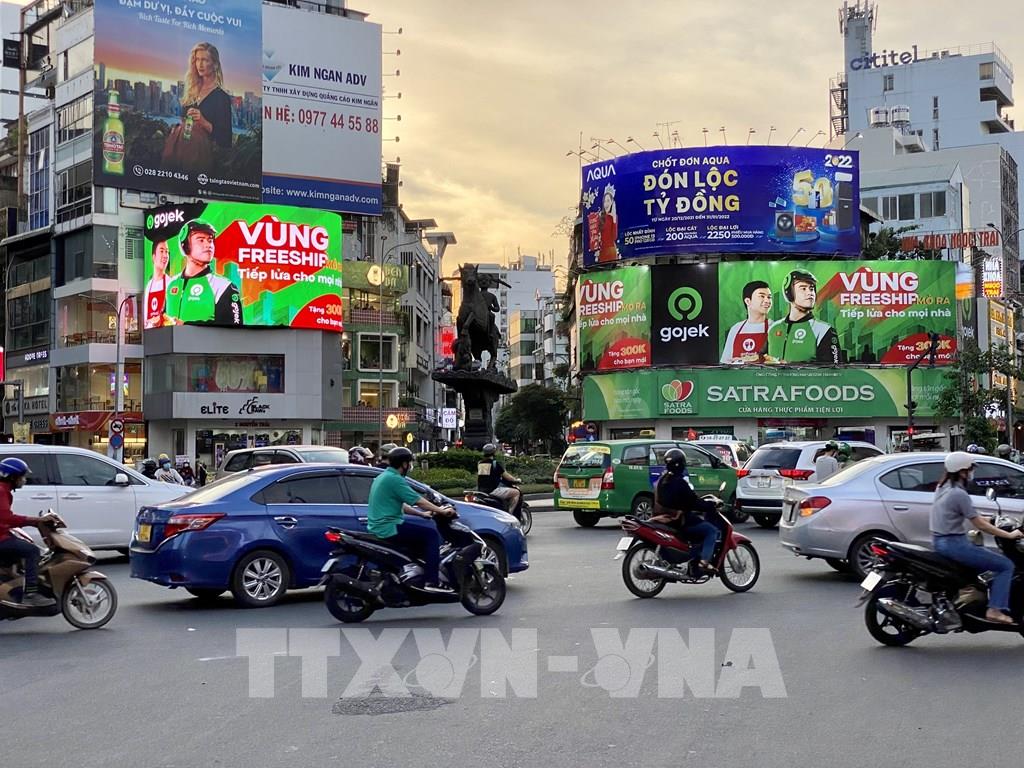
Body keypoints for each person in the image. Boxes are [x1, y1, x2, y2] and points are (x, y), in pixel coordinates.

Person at [930, 451, 1024, 625]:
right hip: (954, 544)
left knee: (984, 559)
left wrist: (992, 519)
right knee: (1005, 565)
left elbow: (969, 515)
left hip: (940, 541)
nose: (972, 473)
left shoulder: (942, 487)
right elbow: (979, 524)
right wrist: (1009, 534)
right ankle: (994, 609)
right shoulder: (959, 494)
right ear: (962, 471)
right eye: (971, 469)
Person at [367, 447, 457, 592]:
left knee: (418, 540)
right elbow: (418, 500)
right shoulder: (394, 479)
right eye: (409, 462)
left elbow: (400, 504)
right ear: (404, 464)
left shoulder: (382, 477)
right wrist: (441, 510)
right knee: (431, 535)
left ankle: (414, 574)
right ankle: (432, 582)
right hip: (390, 526)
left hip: (379, 525)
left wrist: (421, 514)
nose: (410, 466)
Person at [161, 42, 232, 173]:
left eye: (205, 60)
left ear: (215, 64)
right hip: (181, 146)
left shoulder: (222, 98)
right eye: (197, 59)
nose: (200, 64)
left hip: (202, 154)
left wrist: (203, 122)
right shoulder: (190, 93)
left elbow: (225, 139)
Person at [649, 448, 720, 573]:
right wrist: (711, 505)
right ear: (681, 464)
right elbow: (694, 503)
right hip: (680, 521)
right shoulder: (679, 483)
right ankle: (704, 562)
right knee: (711, 530)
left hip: (663, 519)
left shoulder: (662, 481)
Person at [0, 458, 58, 607]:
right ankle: (30, 593)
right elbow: (6, 517)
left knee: (23, 545)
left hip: (3, 533)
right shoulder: (1, 491)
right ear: (12, 477)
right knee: (32, 551)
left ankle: (12, 585)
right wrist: (36, 520)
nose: (24, 480)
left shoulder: (4, 490)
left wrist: (34, 522)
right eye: (22, 476)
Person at [164, 220, 243, 326]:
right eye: (201, 240)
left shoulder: (224, 287)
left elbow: (233, 328)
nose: (208, 245)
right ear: (185, 246)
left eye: (210, 240)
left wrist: (186, 325)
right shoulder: (171, 283)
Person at [766, 269, 841, 364]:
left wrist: (790, 365)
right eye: (803, 288)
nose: (810, 293)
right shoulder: (773, 328)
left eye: (812, 288)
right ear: (789, 293)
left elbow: (833, 371)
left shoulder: (824, 330)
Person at [721, 280, 772, 363]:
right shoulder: (736, 329)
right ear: (748, 301)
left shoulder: (773, 327)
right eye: (762, 296)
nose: (767, 301)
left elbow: (777, 360)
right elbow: (726, 361)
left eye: (769, 297)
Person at [476, 443, 523, 515]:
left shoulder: (480, 463)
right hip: (493, 490)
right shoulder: (495, 464)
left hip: (482, 491)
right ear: (494, 452)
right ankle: (510, 515)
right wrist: (516, 480)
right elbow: (507, 477)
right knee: (516, 492)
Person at [143, 239, 172, 329]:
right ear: (154, 257)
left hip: (166, 332)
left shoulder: (171, 283)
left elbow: (172, 315)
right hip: (150, 332)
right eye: (162, 251)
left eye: (167, 252)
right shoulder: (148, 286)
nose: (165, 255)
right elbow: (145, 317)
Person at [597, 184, 619, 263]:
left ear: (612, 202)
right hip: (602, 251)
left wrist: (613, 219)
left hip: (611, 251)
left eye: (608, 201)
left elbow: (614, 237)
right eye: (605, 201)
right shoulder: (600, 216)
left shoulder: (614, 217)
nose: (606, 204)